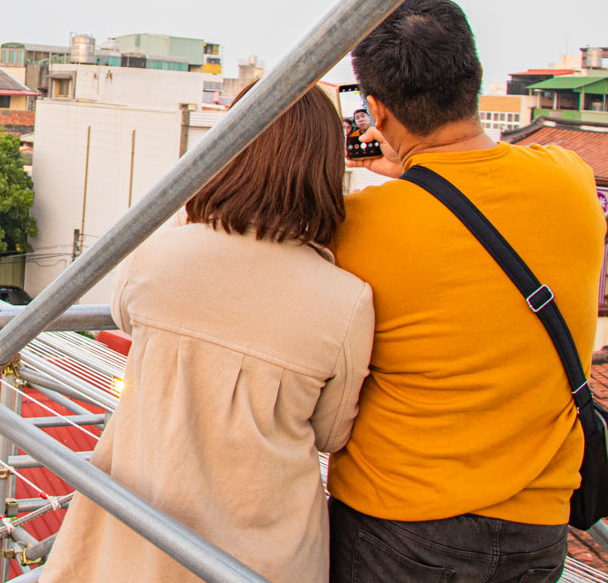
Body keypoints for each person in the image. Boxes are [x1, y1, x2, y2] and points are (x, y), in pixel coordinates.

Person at [42, 82, 374, 583]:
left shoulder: (160, 256)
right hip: (266, 558)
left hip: (141, 538)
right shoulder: (346, 301)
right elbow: (330, 432)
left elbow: (124, 313)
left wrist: (195, 212)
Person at [327, 0, 605, 582]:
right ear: (473, 80)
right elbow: (479, 179)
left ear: (375, 110)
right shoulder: (571, 184)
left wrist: (408, 171)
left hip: (400, 521)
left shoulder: (359, 226)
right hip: (539, 524)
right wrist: (415, 166)